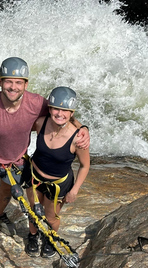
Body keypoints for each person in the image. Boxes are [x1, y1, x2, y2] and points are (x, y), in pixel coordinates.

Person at [0, 58, 90, 264]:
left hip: (16, 164)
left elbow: (60, 113)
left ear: (26, 84)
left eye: (18, 82)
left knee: (6, 192)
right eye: (8, 81)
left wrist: (82, 127)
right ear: (0, 82)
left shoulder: (36, 103)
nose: (13, 87)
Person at [21, 86, 90, 258]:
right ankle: (33, 235)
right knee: (33, 211)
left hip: (57, 185)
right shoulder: (40, 123)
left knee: (51, 218)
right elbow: (18, 129)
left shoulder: (77, 138)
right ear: (49, 108)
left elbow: (84, 165)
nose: (59, 114)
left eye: (64, 110)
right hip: (35, 176)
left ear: (72, 112)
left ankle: (49, 239)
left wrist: (74, 190)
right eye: (56, 109)